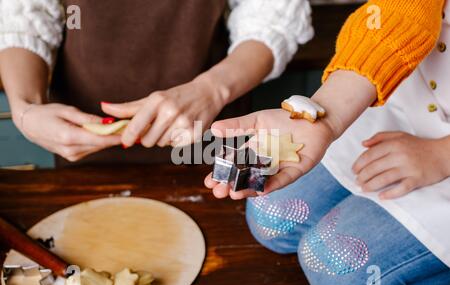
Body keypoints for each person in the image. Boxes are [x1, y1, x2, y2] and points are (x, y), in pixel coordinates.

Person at [206, 0, 450, 285]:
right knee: (271, 217)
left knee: (334, 271)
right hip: (397, 98)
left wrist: (441, 155)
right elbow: (399, 11)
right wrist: (327, 115)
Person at [0, 0, 313, 164]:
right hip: (81, 147)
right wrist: (25, 108)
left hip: (208, 141)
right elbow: (25, 16)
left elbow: (271, 17)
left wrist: (211, 90)